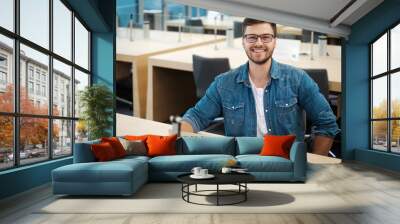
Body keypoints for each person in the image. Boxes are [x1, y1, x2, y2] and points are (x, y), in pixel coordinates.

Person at [180, 18, 339, 156]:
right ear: (243, 41)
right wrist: (177, 140)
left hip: (286, 163)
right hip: (242, 164)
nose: (258, 43)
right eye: (252, 37)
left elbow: (327, 123)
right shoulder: (224, 83)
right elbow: (196, 117)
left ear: (275, 41)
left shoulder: (297, 79)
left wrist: (313, 163)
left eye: (266, 37)